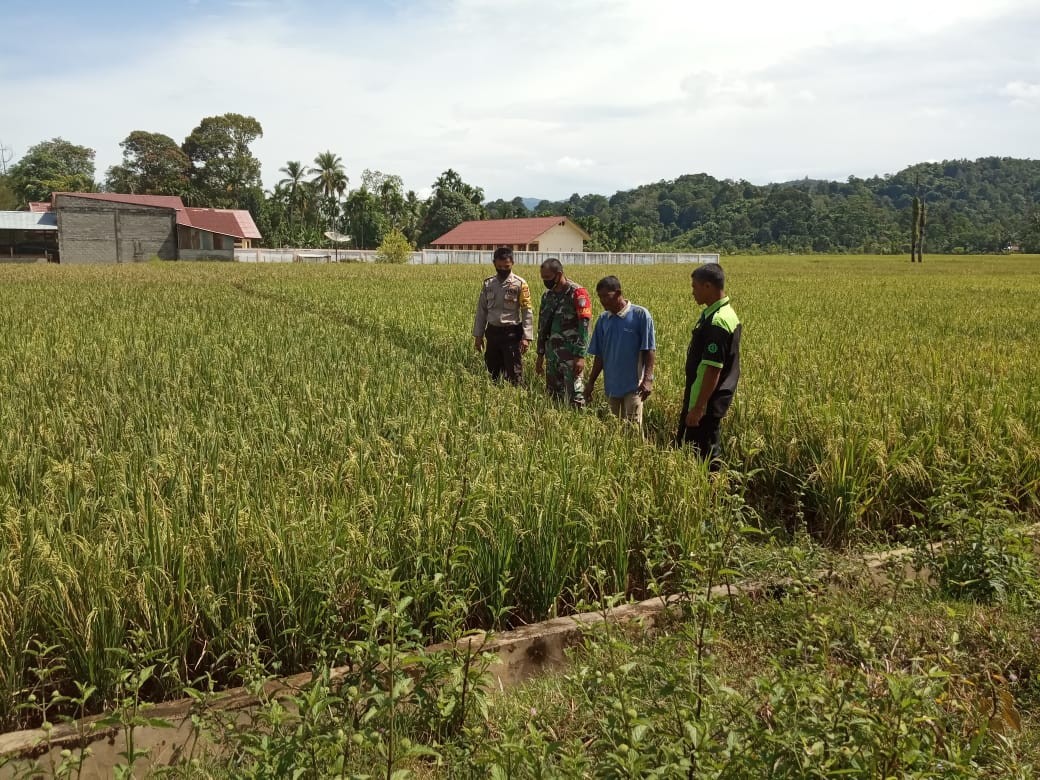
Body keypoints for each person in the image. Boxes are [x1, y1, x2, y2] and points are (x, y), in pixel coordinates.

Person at [677, 263, 741, 466]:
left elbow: (713, 369)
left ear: (708, 287)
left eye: (694, 287)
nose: (692, 292)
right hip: (704, 400)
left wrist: (698, 408)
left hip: (705, 403)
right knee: (696, 452)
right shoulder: (720, 314)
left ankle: (711, 495)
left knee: (703, 457)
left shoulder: (718, 322)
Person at [585, 276, 656, 426]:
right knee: (615, 428)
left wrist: (648, 379)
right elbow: (599, 355)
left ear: (618, 294)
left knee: (633, 428)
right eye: (600, 297)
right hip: (611, 385)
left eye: (606, 296)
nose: (602, 300)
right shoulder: (604, 319)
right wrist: (590, 382)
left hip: (634, 385)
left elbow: (649, 349)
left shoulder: (641, 315)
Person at [473, 246, 534, 385]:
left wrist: (527, 337)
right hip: (492, 333)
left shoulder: (520, 284)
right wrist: (478, 336)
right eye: (499, 266)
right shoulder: (488, 284)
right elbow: (482, 311)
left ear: (512, 263)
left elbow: (527, 311)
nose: (503, 270)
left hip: (511, 334)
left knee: (514, 374)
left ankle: (515, 399)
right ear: (494, 263)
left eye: (506, 266)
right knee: (492, 372)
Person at [535, 258, 592, 407]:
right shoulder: (547, 296)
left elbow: (584, 325)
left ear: (559, 274)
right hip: (552, 355)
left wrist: (580, 355)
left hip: (571, 356)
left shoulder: (577, 293)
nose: (545, 281)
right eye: (543, 278)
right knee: (553, 396)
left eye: (547, 278)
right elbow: (542, 326)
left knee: (575, 396)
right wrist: (540, 354)